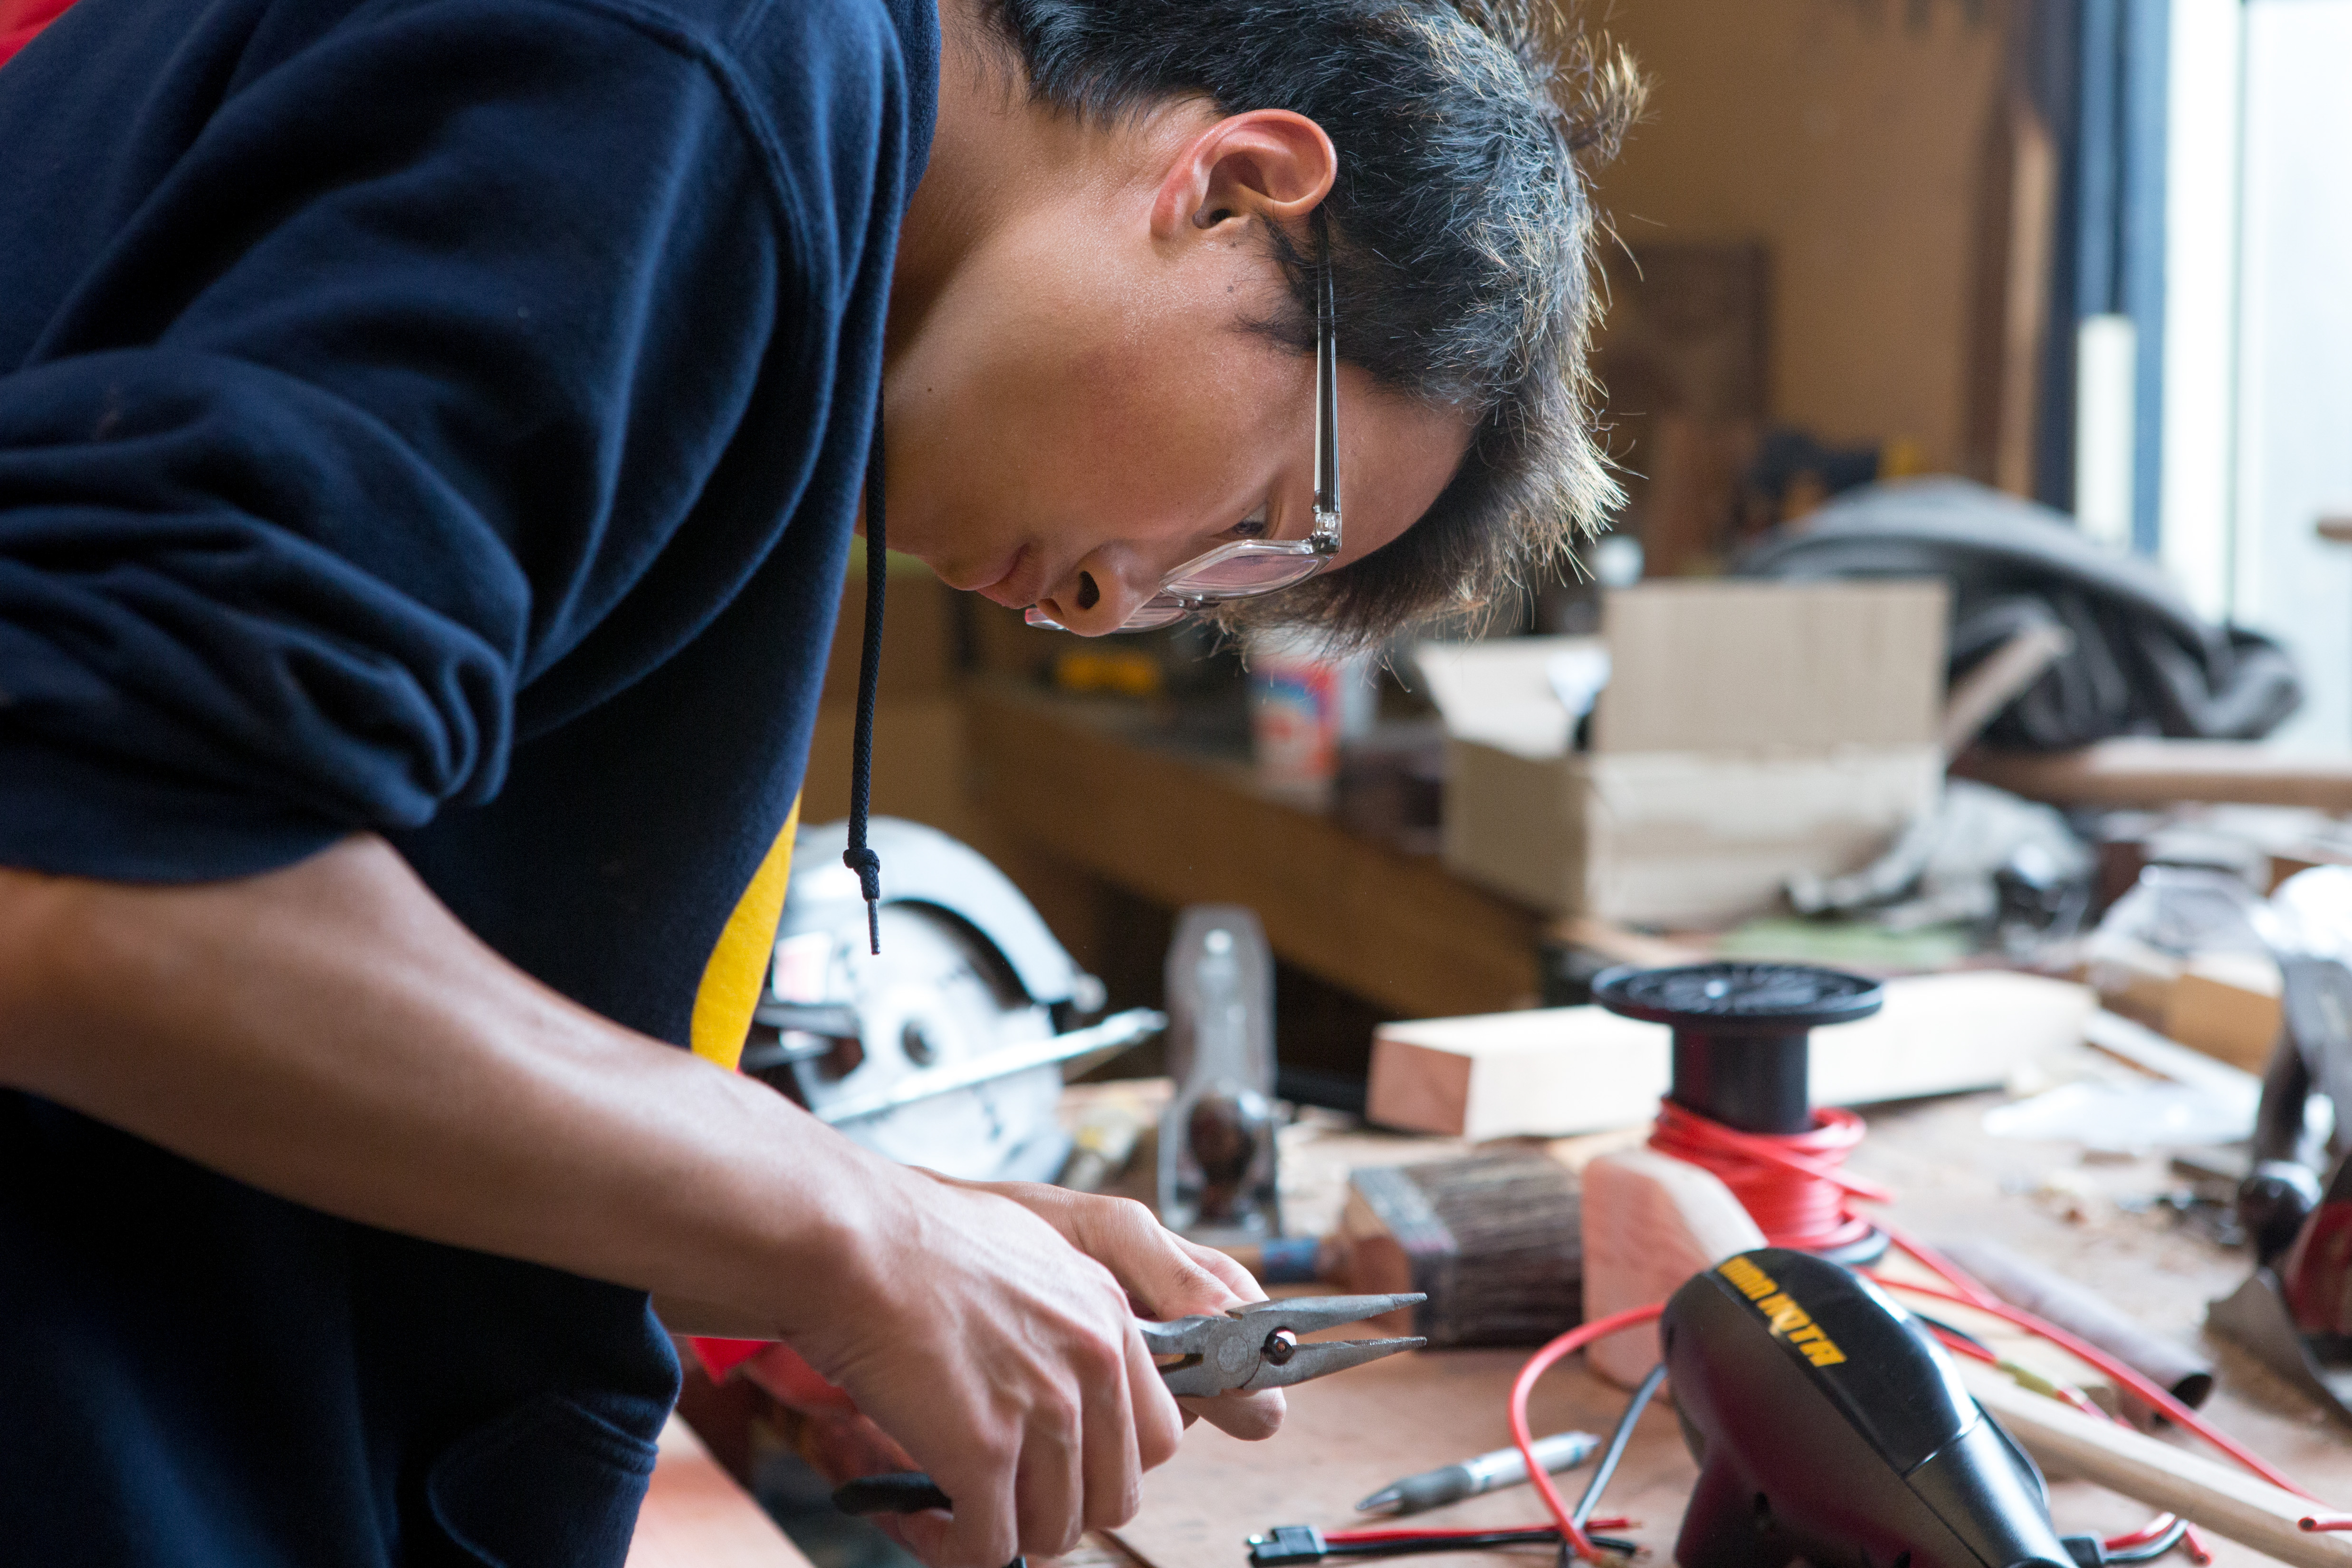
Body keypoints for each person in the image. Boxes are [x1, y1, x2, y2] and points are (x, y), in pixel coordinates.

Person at [0, 0, 1638, 1564]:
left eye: (1216, 606)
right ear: (1234, 189)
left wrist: (865, 1232)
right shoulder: (692, 68)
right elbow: (82, 865)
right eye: (1270, 513)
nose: (1114, 607)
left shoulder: (766, 202)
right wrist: (851, 1236)